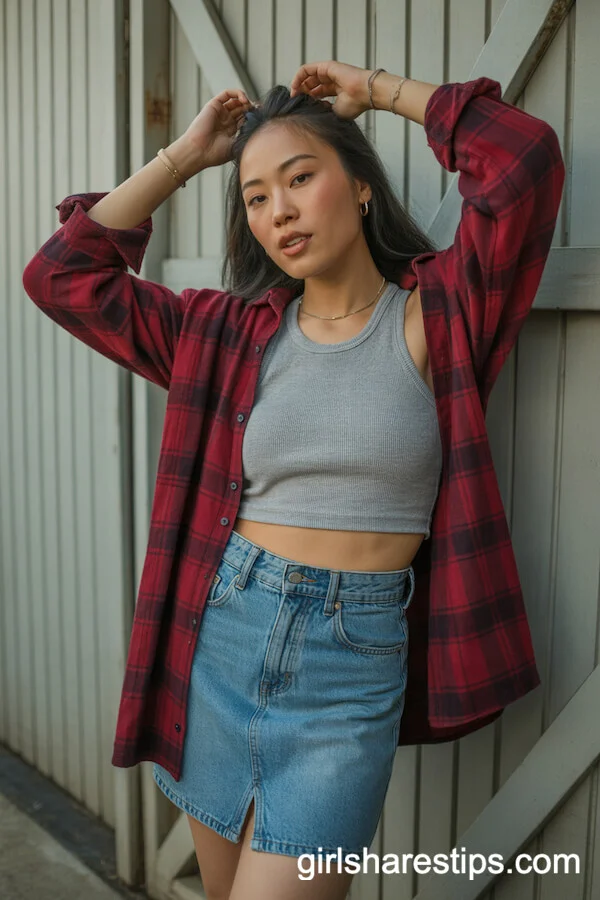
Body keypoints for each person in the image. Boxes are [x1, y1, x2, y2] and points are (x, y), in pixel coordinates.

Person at [23, 60, 565, 900]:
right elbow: (61, 276)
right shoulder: (223, 333)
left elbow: (524, 160)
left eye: (300, 177)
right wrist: (188, 154)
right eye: (254, 196)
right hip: (224, 635)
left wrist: (377, 92)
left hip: (349, 673)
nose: (278, 209)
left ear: (357, 187)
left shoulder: (441, 313)